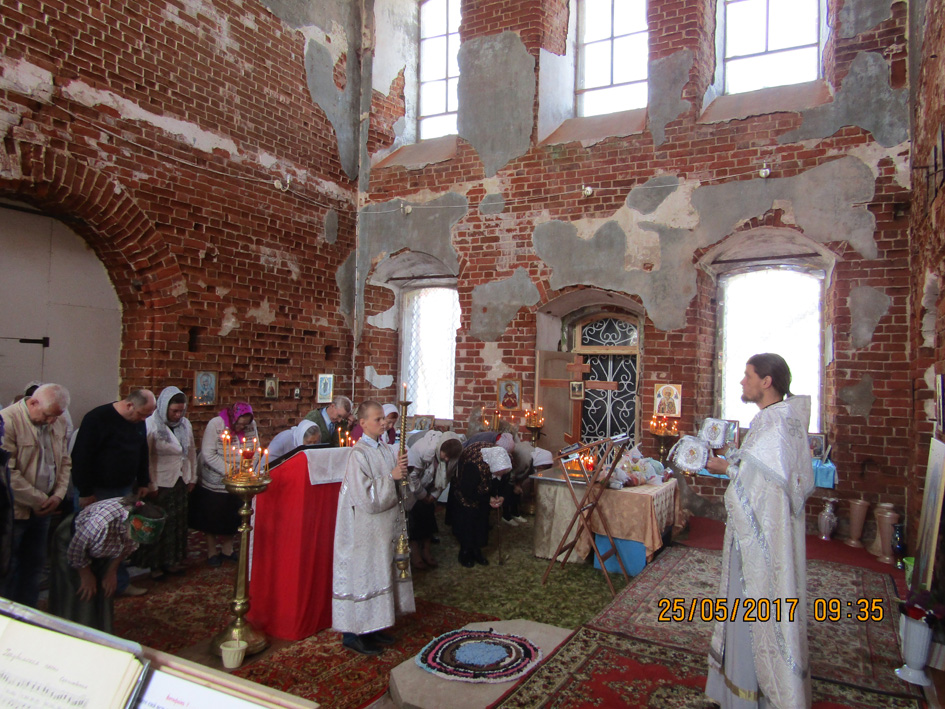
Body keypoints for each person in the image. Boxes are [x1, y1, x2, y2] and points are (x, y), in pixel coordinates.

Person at [704, 353, 813, 709]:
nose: (742, 381)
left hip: (760, 540)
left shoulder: (776, 424)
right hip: (766, 533)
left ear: (767, 381)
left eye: (748, 375)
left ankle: (747, 694)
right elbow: (759, 471)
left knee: (751, 606)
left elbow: (758, 486)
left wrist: (722, 468)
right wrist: (732, 463)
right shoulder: (780, 418)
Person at [332, 400, 414, 656]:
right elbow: (366, 496)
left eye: (384, 419)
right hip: (366, 528)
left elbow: (400, 485)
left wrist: (402, 473)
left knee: (381, 572)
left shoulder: (387, 449)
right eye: (377, 419)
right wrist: (392, 477)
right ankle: (354, 633)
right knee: (365, 575)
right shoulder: (359, 454)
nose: (383, 423)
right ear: (363, 423)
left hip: (385, 526)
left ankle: (375, 626)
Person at [70, 388, 155, 597]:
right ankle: (83, 586)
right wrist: (85, 491)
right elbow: (81, 457)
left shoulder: (138, 421)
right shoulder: (97, 419)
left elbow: (142, 451)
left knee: (122, 535)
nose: (144, 419)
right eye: (142, 414)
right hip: (96, 490)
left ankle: (119, 582)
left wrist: (144, 480)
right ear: (129, 405)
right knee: (90, 537)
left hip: (124, 488)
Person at [0, 384, 72, 607]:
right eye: (48, 415)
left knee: (34, 566)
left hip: (45, 510)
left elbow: (65, 462)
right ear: (33, 403)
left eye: (57, 416)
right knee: (7, 568)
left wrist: (58, 496)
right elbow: (6, 472)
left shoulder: (57, 420)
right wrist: (40, 500)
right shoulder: (7, 421)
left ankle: (28, 615)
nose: (52, 422)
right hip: (14, 511)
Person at [50, 496, 165, 633]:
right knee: (82, 592)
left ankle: (103, 631)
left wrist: (111, 572)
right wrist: (86, 575)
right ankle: (75, 633)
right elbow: (76, 548)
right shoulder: (102, 522)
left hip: (102, 547)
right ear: (130, 523)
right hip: (72, 541)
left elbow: (127, 547)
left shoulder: (143, 517)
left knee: (106, 588)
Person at [137, 387, 196, 580]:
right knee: (160, 524)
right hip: (160, 481)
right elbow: (144, 457)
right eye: (174, 411)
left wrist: (192, 477)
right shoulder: (151, 424)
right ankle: (155, 565)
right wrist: (149, 483)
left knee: (177, 523)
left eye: (181, 411)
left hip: (180, 479)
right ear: (164, 407)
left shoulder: (185, 424)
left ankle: (172, 560)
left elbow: (191, 453)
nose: (178, 415)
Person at [191, 402, 258, 566]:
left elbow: (255, 448)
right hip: (215, 478)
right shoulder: (216, 424)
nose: (242, 426)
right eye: (240, 422)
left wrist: (247, 466)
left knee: (231, 514)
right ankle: (212, 550)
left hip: (238, 476)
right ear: (233, 417)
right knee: (212, 516)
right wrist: (229, 470)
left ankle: (227, 549)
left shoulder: (250, 425)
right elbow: (208, 453)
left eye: (245, 423)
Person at [406, 429, 463, 569]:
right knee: (414, 516)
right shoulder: (423, 449)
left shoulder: (452, 458)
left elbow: (447, 477)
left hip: (430, 489)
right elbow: (411, 476)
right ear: (439, 449)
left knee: (428, 515)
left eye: (451, 457)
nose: (447, 459)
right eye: (445, 455)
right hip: (412, 489)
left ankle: (426, 550)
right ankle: (415, 553)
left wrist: (433, 496)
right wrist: (422, 495)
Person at [449, 443, 511, 568]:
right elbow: (468, 491)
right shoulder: (473, 466)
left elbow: (505, 482)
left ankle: (477, 550)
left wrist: (502, 496)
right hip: (465, 494)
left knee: (482, 520)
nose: (500, 474)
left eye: (502, 472)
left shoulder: (505, 463)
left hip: (483, 492)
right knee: (468, 520)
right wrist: (488, 498)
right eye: (498, 472)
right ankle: (465, 552)